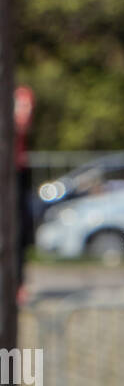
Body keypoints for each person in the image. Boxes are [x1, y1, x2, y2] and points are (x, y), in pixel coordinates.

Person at [13, 85, 35, 297]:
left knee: (19, 230)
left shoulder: (20, 95)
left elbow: (22, 123)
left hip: (17, 171)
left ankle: (18, 284)